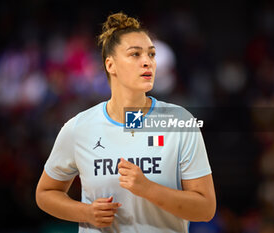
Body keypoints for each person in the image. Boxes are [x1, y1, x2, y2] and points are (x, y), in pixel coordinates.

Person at [36, 12, 216, 233]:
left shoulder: (178, 122)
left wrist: (147, 188)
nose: (147, 62)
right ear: (110, 65)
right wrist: (86, 212)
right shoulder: (79, 127)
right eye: (135, 54)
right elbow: (45, 193)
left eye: (151, 54)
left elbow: (206, 209)